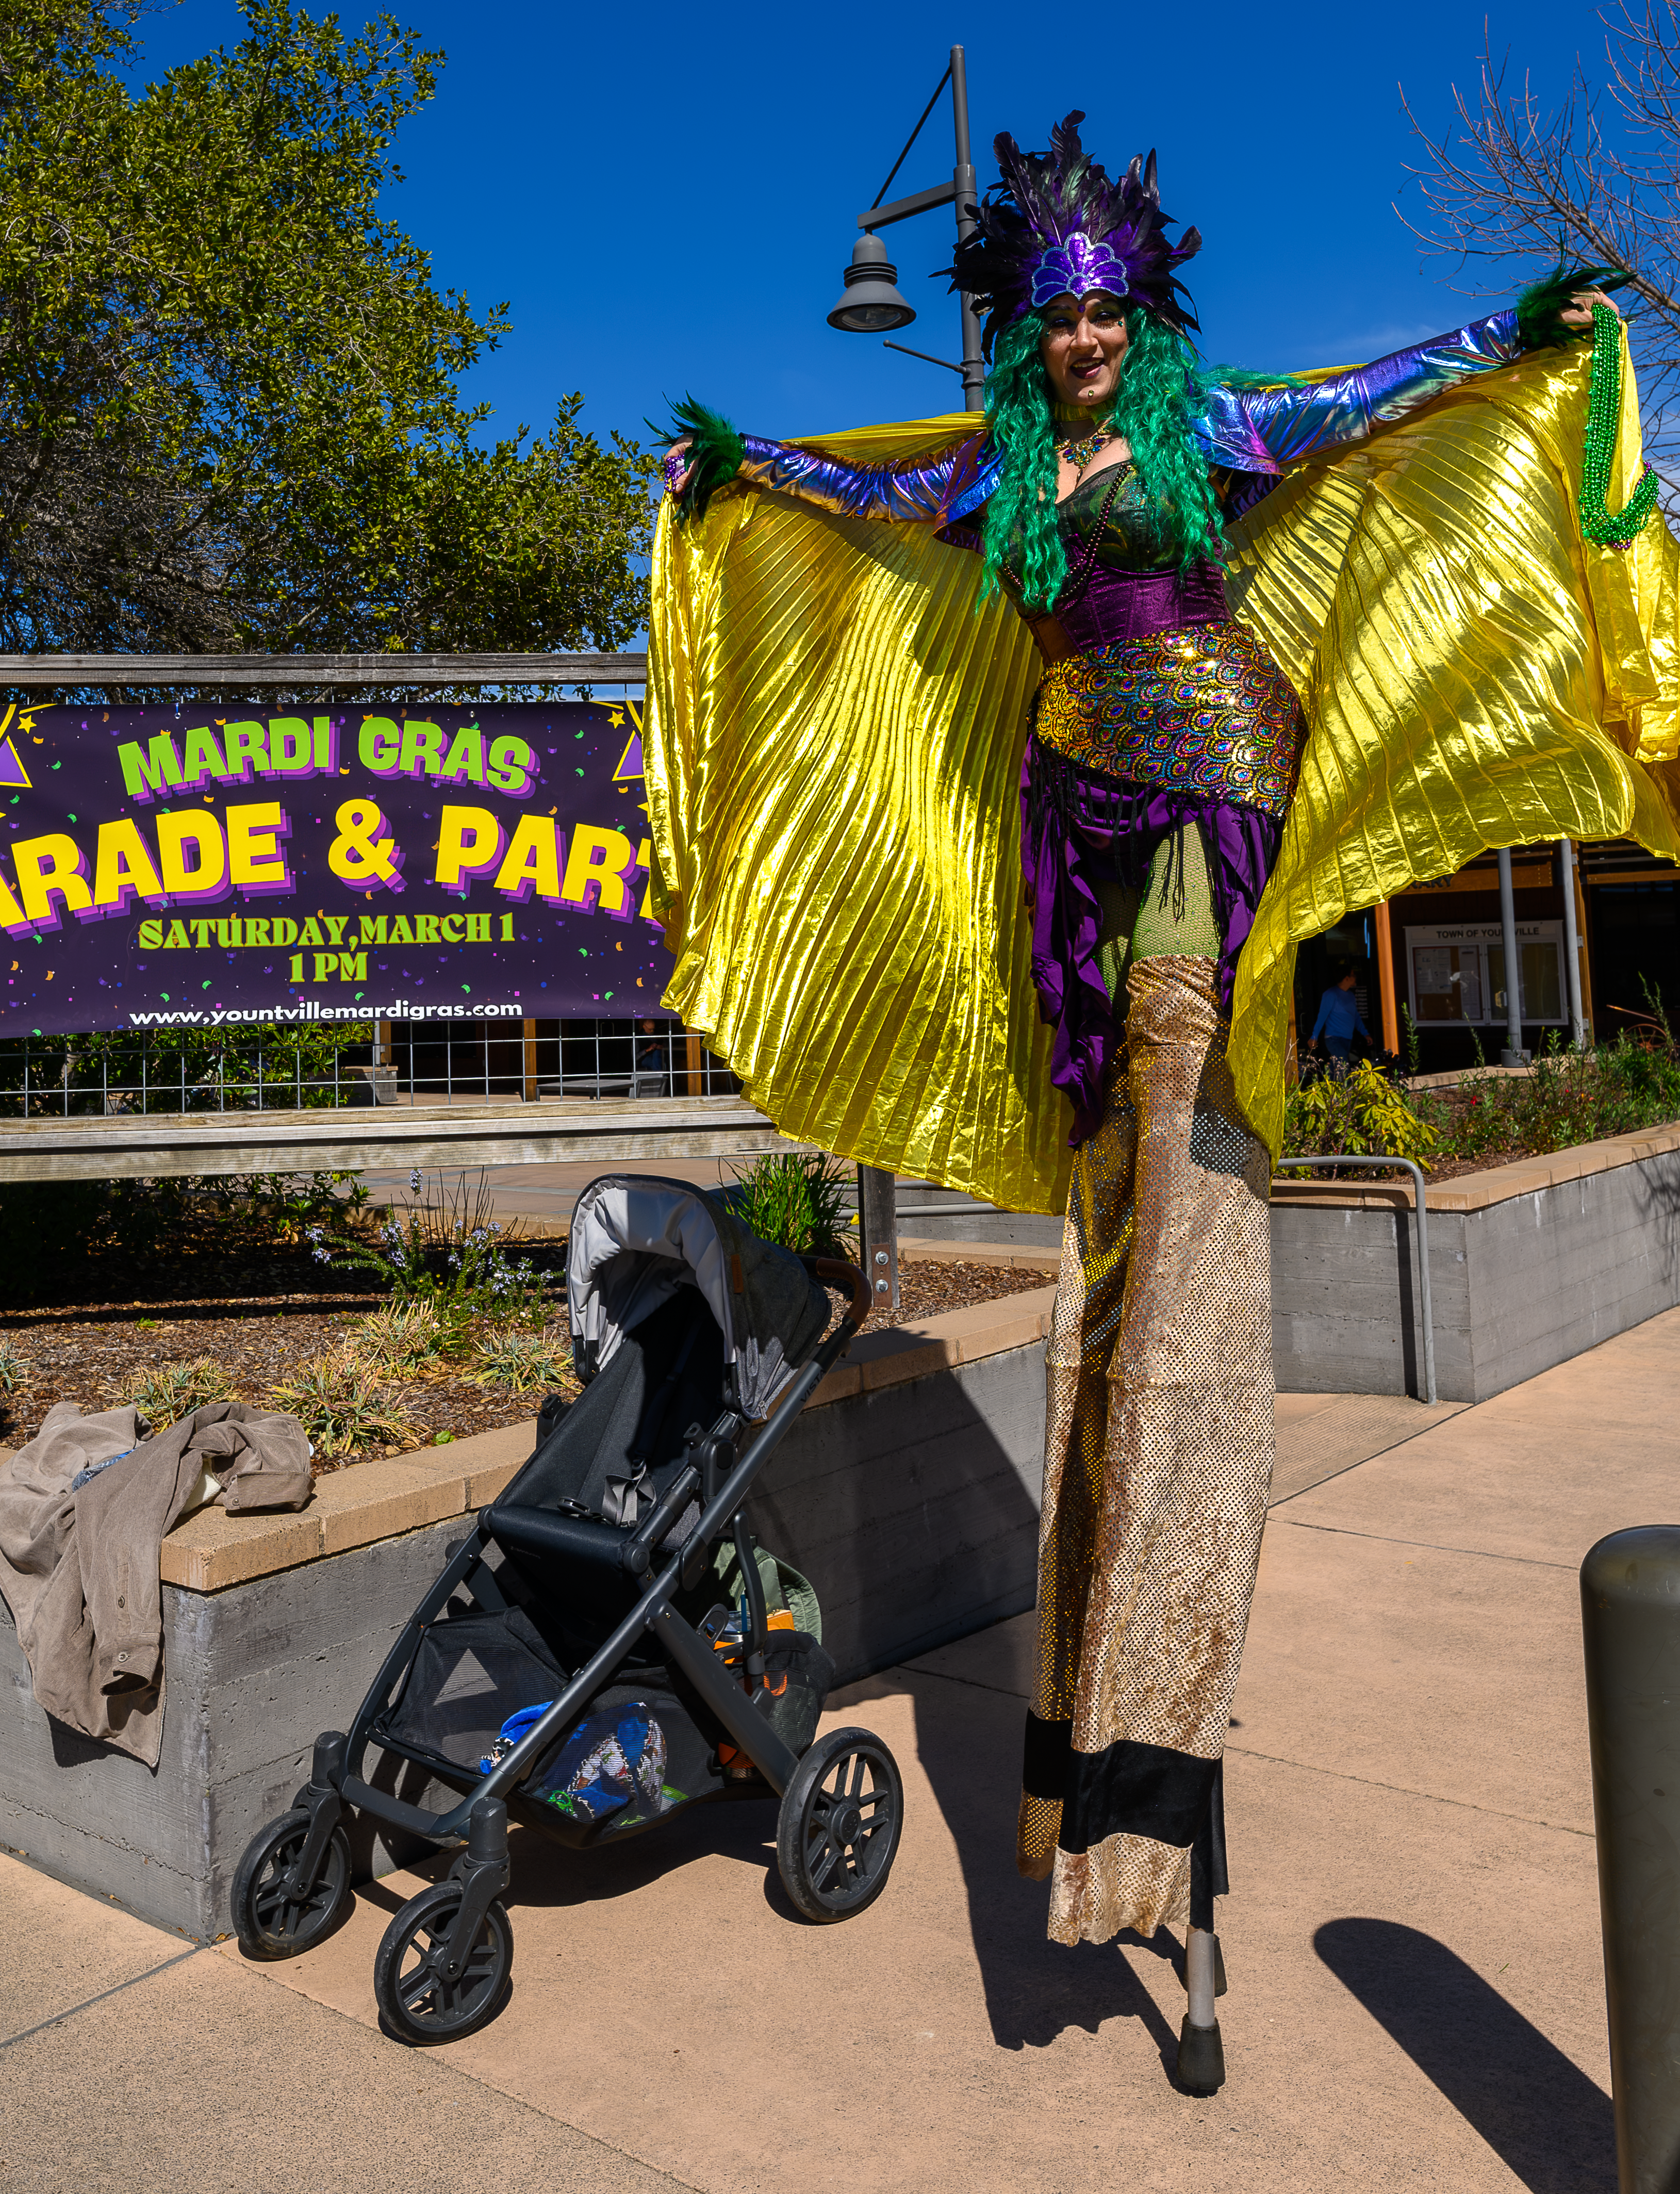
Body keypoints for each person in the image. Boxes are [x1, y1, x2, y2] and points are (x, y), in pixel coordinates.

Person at [650, 111, 1655, 2086]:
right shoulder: (1008, 474)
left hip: (1199, 797)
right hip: (1069, 841)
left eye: (1103, 319)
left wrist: (1512, 334)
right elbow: (864, 509)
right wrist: (736, 466)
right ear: (1026, 333)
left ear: (1143, 319)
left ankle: (1163, 1838)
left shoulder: (1214, 440)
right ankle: (1108, 1777)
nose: (1080, 346)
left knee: (1182, 1158)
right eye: (1052, 323)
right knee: (1113, 1172)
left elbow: (1375, 405)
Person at [1309, 968, 1372, 1075]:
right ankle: (1346, 1091)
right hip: (1334, 1039)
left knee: (1335, 1068)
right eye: (1353, 975)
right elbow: (1322, 1016)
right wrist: (1314, 1037)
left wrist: (1366, 1034)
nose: (1356, 977)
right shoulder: (1331, 995)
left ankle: (1330, 1089)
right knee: (1343, 1065)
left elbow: (1356, 1017)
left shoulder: (1351, 996)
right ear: (1346, 978)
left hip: (1347, 1039)